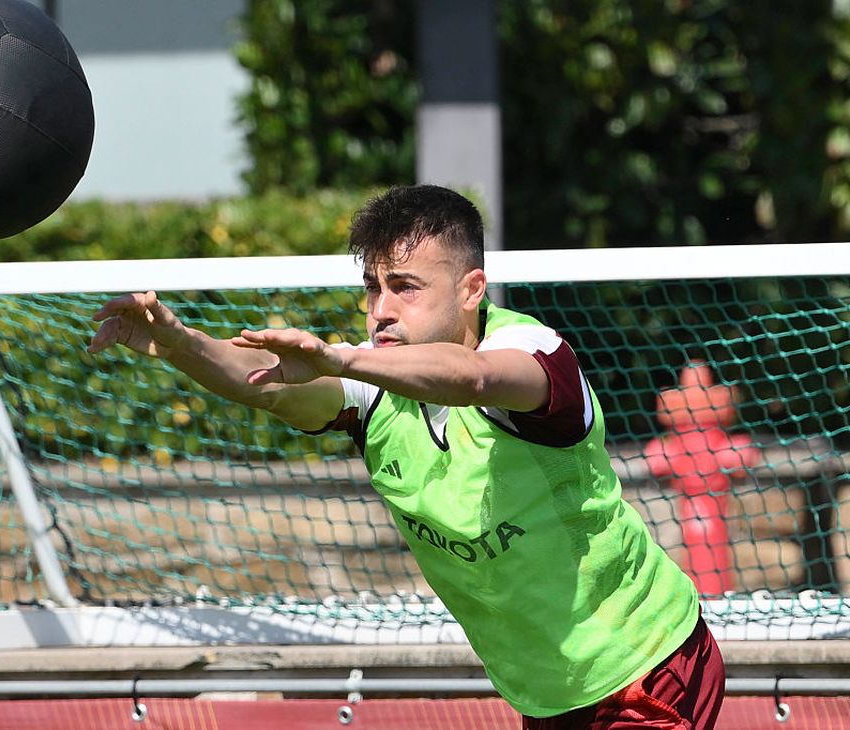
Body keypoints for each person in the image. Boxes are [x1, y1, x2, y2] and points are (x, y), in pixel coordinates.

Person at [88, 184, 724, 728]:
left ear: (472, 290)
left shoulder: (536, 354)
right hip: (549, 691)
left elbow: (472, 378)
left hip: (648, 662)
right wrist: (177, 343)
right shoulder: (375, 394)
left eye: (405, 288)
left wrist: (341, 358)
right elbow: (264, 379)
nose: (381, 310)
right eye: (372, 288)